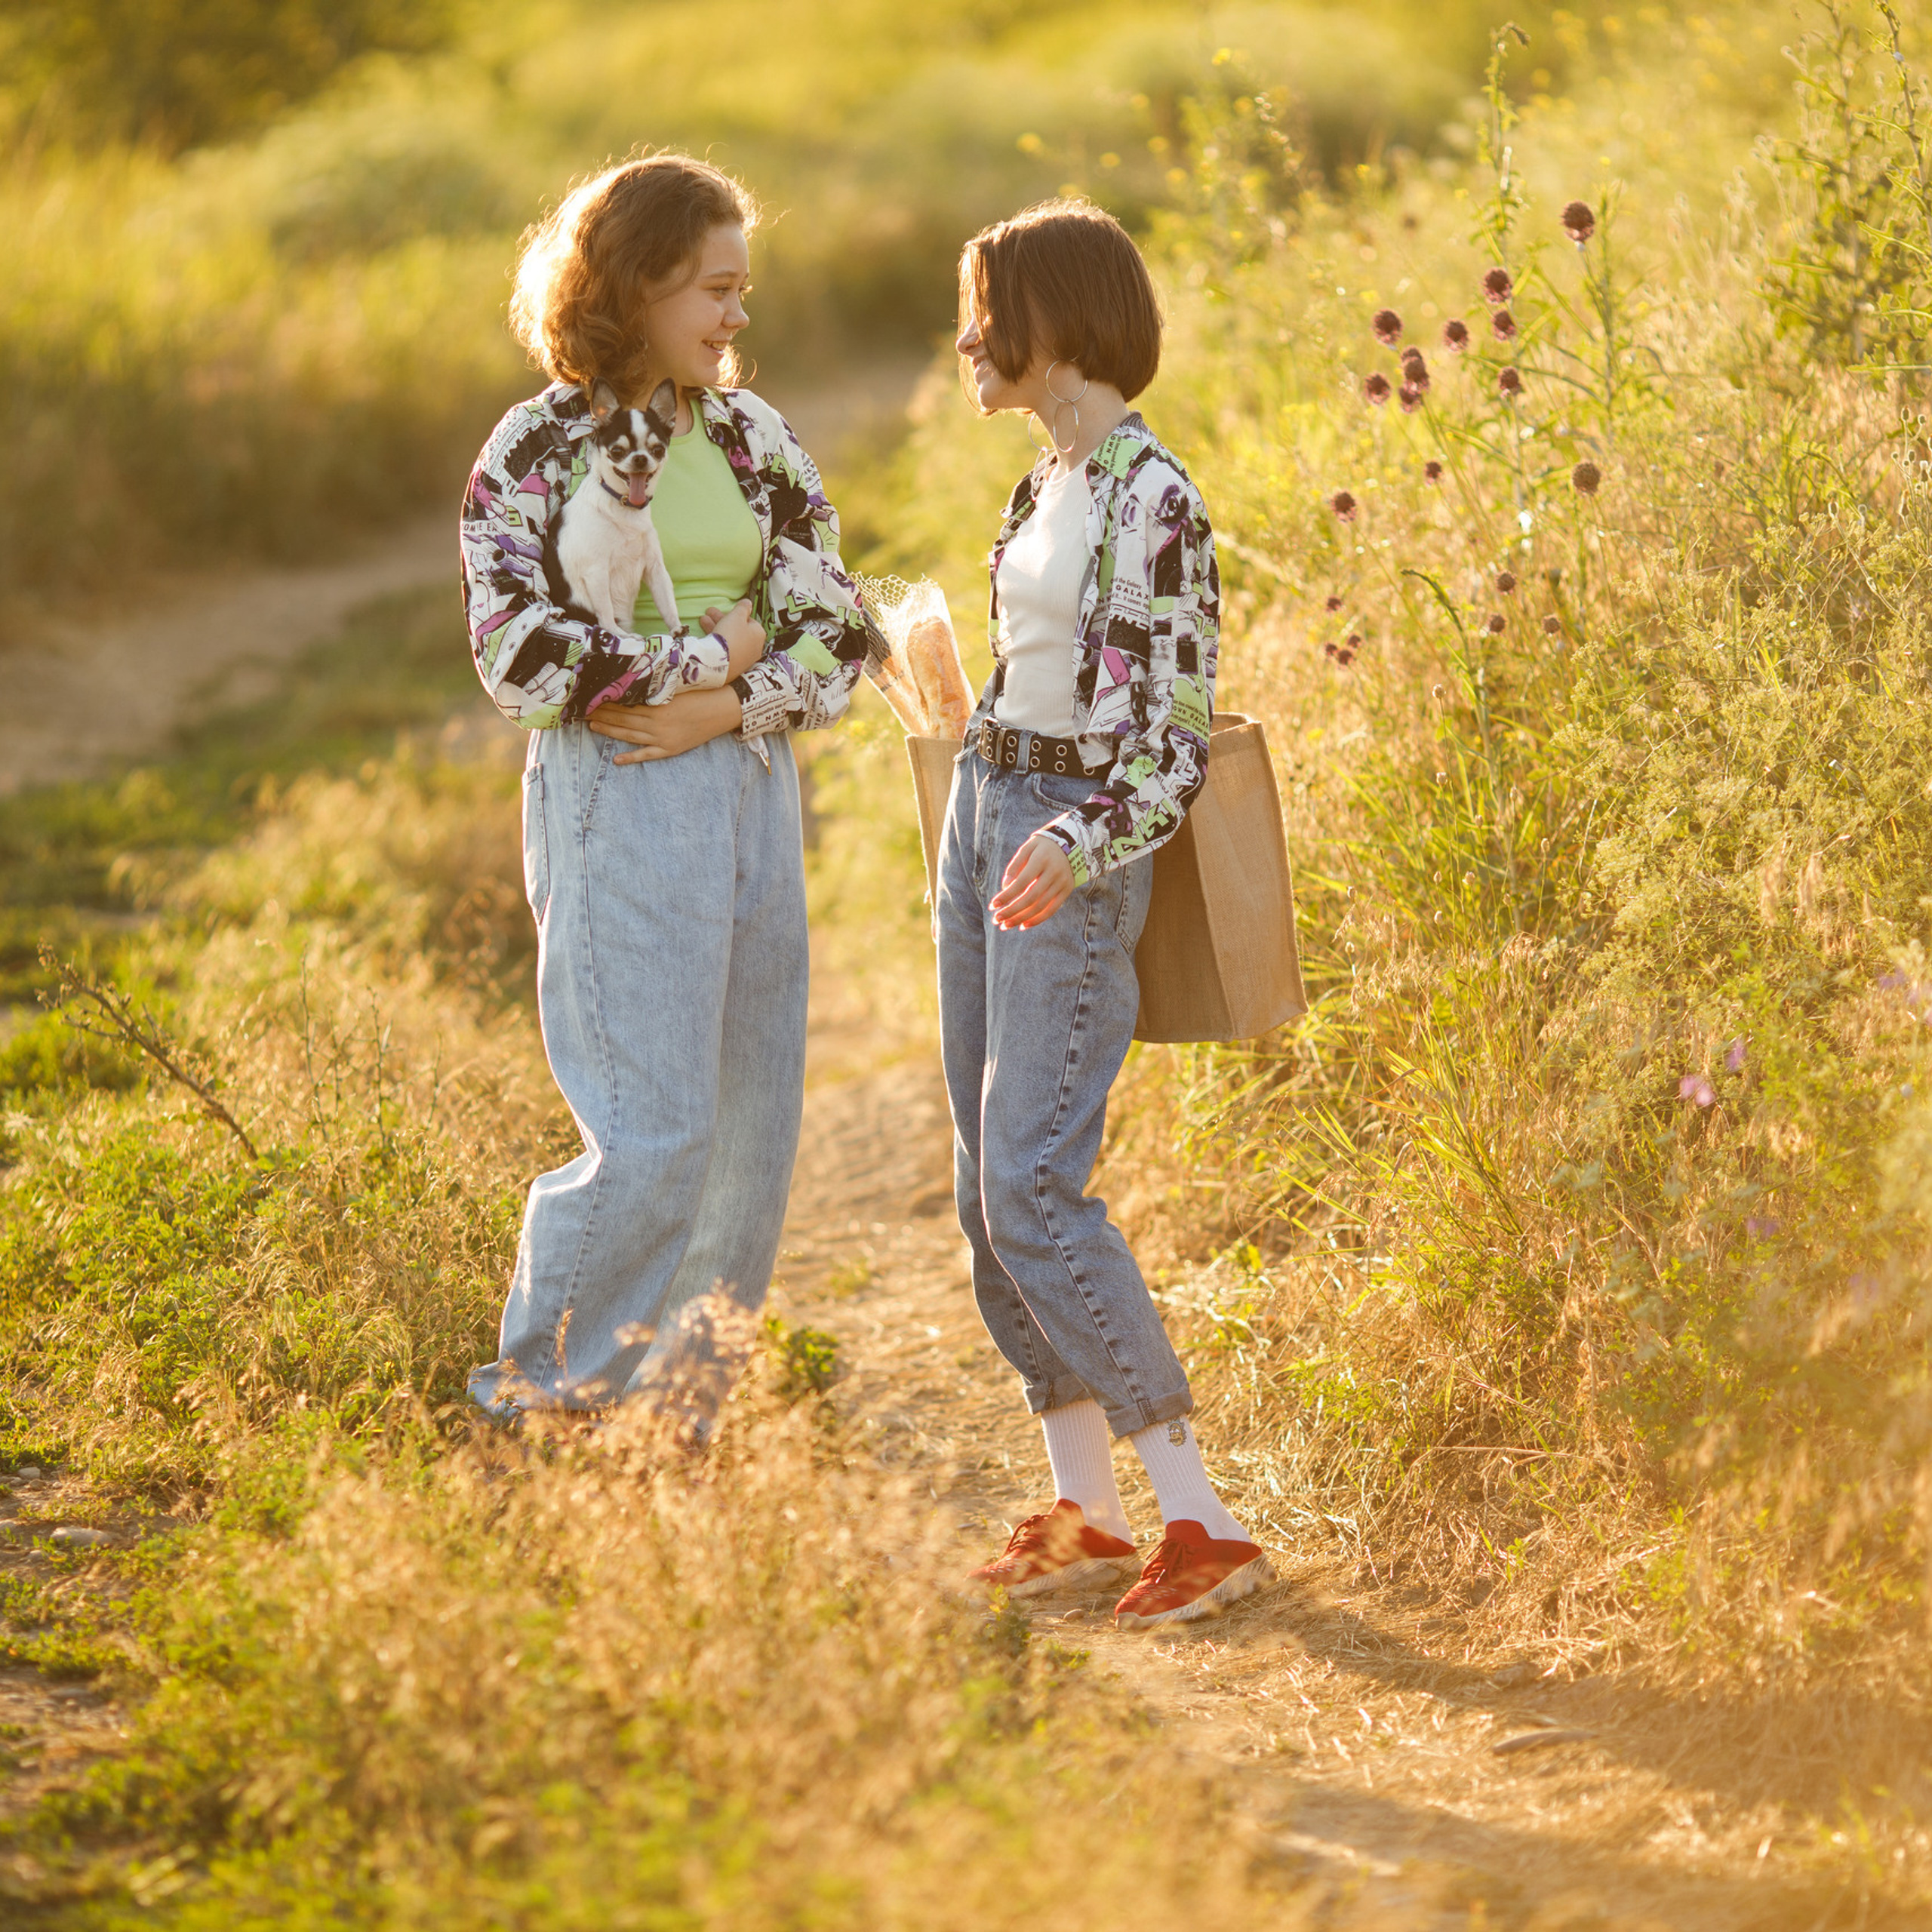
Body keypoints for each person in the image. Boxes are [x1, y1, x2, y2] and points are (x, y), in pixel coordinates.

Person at [460, 152, 872, 1423]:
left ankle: (678, 1421)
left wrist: (732, 703)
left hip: (750, 779)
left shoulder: (753, 434)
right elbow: (517, 652)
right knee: (653, 1129)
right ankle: (537, 1407)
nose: (739, 317)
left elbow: (839, 625)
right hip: (618, 787)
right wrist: (716, 654)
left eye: (744, 289)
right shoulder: (535, 445)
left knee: (749, 1134)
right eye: (714, 288)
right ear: (635, 286)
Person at [941, 199, 1270, 1629]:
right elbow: (1038, 673)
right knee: (979, 1186)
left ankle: (1202, 1523)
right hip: (982, 811)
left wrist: (1079, 843)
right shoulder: (1042, 481)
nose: (966, 337)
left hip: (1070, 843)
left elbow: (1169, 745)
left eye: (987, 307)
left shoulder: (1157, 500)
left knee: (1034, 1182)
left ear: (1060, 321)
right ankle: (1083, 1505)